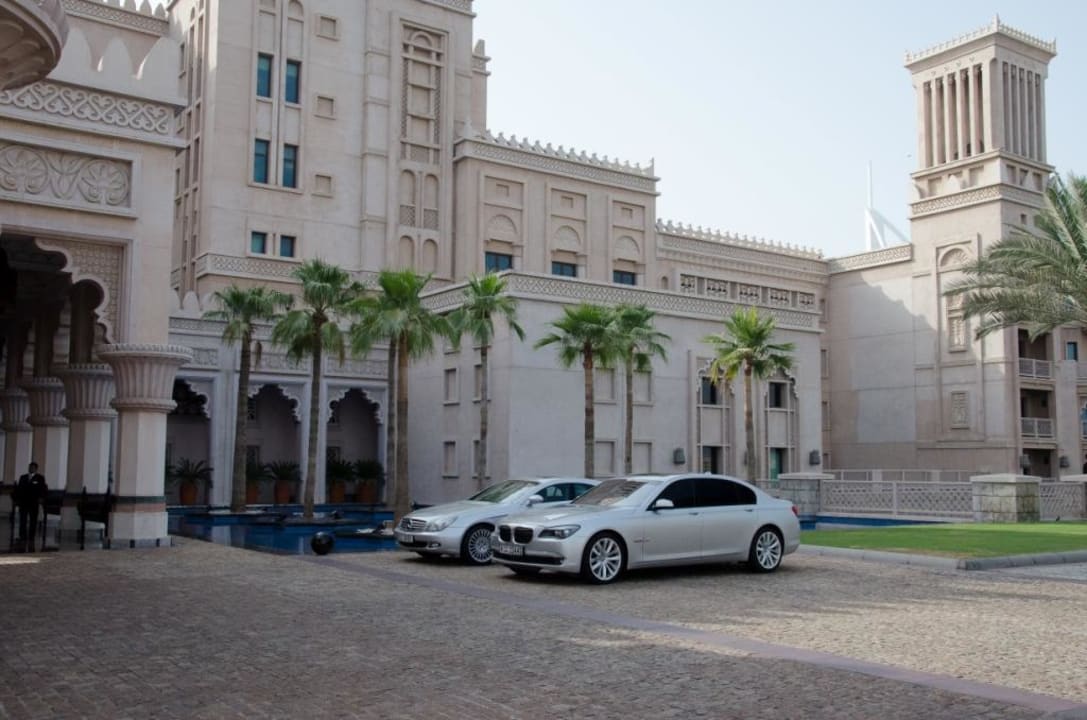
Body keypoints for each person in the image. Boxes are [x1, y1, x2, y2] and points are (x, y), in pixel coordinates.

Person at [13, 462, 47, 552]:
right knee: (22, 520)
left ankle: (31, 536)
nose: (31, 469)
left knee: (33, 521)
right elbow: (19, 489)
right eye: (30, 467)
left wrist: (41, 498)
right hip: (24, 502)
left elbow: (43, 489)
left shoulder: (40, 478)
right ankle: (22, 536)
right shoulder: (23, 477)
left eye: (32, 467)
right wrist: (17, 500)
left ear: (36, 469)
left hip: (33, 503)